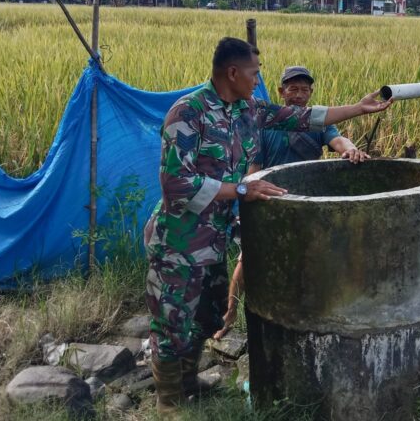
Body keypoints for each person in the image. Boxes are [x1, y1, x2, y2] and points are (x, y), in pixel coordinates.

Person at [143, 37, 391, 414]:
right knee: (172, 321)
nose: (257, 79)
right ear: (232, 72)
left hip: (212, 238)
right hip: (178, 239)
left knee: (204, 315)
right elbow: (176, 185)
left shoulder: (247, 110)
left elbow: (302, 118)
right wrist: (243, 188)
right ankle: (169, 402)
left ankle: (189, 384)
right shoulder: (188, 113)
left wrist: (358, 108)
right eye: (254, 73)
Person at [214, 65, 369, 340]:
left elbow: (338, 139)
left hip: (311, 205)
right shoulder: (267, 122)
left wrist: (350, 149)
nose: (299, 95)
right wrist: (246, 203)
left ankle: (319, 312)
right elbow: (255, 169)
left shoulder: (317, 122)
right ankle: (229, 312)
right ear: (281, 92)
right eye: (293, 89)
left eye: (304, 90)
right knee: (247, 259)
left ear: (311, 93)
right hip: (272, 201)